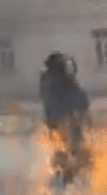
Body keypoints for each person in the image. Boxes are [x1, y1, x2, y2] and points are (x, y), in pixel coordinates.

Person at [39, 51, 91, 186]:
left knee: (68, 150)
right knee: (72, 149)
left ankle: (67, 175)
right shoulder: (54, 83)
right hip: (65, 123)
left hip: (60, 123)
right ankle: (69, 176)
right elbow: (78, 100)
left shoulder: (49, 81)